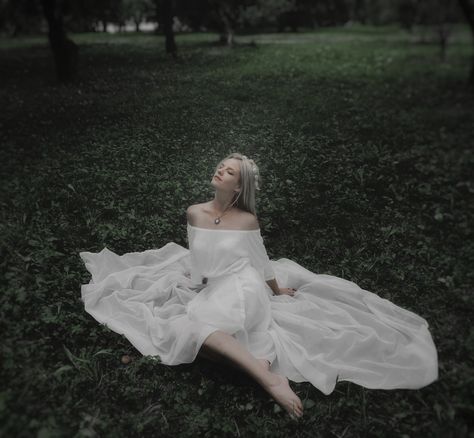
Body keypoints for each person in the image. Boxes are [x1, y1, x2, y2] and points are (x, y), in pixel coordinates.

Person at [79, 152, 438, 420]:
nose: (221, 169)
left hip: (245, 285)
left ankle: (268, 382)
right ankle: (262, 370)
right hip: (216, 286)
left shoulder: (247, 219)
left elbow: (261, 259)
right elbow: (198, 256)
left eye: (230, 171)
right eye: (221, 165)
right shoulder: (194, 212)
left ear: (239, 186)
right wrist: (196, 283)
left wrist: (277, 289)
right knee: (194, 338)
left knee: (192, 331)